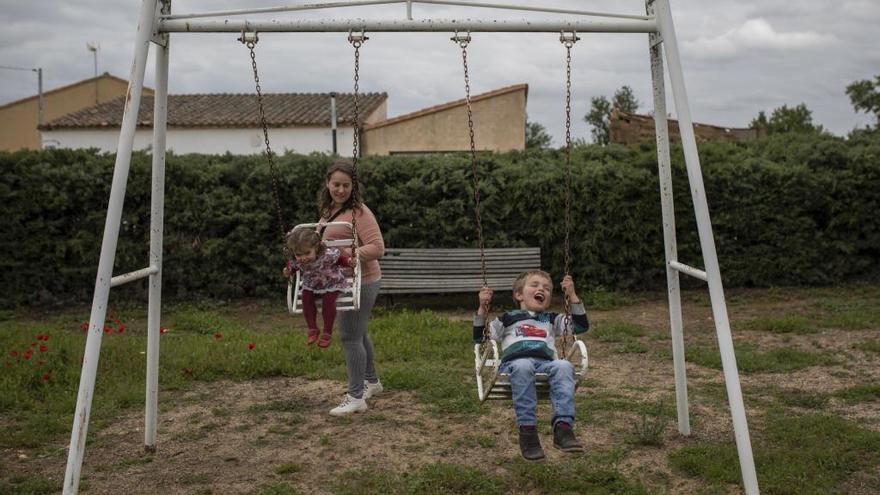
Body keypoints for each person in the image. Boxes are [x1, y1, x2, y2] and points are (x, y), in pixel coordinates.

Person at [473, 270, 590, 461]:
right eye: (535, 285)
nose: (541, 289)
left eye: (547, 288)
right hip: (515, 364)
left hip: (545, 364)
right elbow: (481, 337)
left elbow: (580, 326)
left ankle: (563, 429)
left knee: (564, 366)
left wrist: (572, 295)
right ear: (519, 295)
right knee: (523, 365)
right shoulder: (508, 318)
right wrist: (482, 307)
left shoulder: (551, 319)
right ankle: (528, 433)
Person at [317, 159, 385, 416]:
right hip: (342, 281)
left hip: (362, 281)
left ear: (353, 187)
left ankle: (356, 397)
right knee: (360, 332)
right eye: (336, 184)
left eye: (346, 185)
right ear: (328, 184)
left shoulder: (360, 212)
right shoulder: (328, 211)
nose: (341, 190)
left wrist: (347, 252)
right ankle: (372, 382)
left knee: (350, 336)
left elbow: (378, 248)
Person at [283, 228, 356, 348]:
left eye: (307, 253)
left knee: (328, 302)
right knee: (306, 299)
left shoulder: (327, 255)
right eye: (298, 255)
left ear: (316, 248)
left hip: (331, 282)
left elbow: (339, 260)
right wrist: (288, 271)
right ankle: (312, 328)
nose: (303, 258)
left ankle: (327, 332)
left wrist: (349, 261)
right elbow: (293, 267)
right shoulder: (298, 260)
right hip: (311, 283)